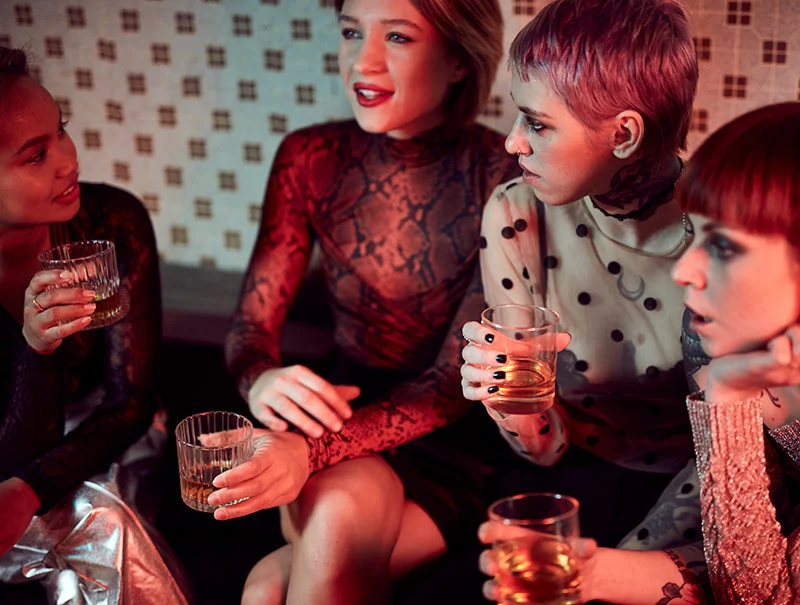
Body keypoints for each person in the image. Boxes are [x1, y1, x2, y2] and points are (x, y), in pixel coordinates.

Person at [220, 0, 519, 603]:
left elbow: (450, 382)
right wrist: (260, 378)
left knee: (266, 588)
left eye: (399, 36)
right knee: (317, 537)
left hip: (456, 442)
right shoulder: (308, 157)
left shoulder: (504, 172)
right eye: (352, 31)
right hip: (339, 412)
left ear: (460, 59)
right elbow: (250, 327)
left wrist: (309, 450)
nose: (363, 60)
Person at [456, 0, 714, 602]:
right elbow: (545, 450)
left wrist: (609, 572)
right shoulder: (516, 214)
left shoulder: (722, 238)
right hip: (571, 485)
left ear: (623, 134)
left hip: (702, 504)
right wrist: (511, 403)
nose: (512, 142)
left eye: (537, 124)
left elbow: (727, 463)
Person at [0, 48, 187, 604]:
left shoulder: (112, 222)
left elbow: (129, 401)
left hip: (108, 433)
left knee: (100, 520)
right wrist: (34, 349)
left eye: (61, 131)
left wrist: (29, 488)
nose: (69, 159)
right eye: (36, 155)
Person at [670, 101, 800, 603]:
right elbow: (753, 585)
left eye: (723, 246)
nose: (684, 270)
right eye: (693, 234)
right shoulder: (715, 337)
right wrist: (728, 390)